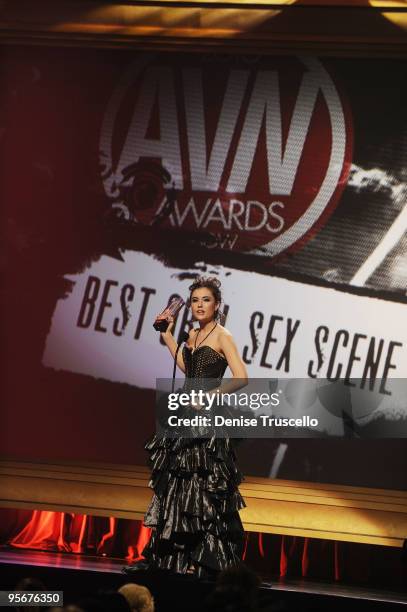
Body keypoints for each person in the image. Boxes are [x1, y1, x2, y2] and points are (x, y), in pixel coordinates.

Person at [124, 276, 248, 578]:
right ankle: (171, 559)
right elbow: (187, 367)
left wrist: (210, 395)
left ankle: (203, 559)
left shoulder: (223, 336)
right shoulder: (192, 334)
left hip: (206, 418)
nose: (199, 305)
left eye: (205, 300)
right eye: (195, 301)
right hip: (184, 415)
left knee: (202, 486)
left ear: (216, 304)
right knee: (177, 482)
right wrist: (168, 336)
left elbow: (241, 376)